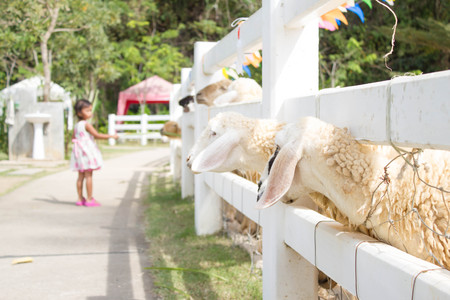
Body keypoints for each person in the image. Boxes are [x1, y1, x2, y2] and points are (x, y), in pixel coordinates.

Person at [70, 99, 118, 207]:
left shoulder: (77, 125)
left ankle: (79, 198)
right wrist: (112, 136)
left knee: (80, 176)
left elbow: (73, 138)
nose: (90, 113)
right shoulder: (86, 125)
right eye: (87, 111)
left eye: (90, 110)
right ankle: (89, 199)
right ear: (79, 113)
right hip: (86, 153)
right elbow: (97, 135)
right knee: (88, 176)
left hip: (79, 153)